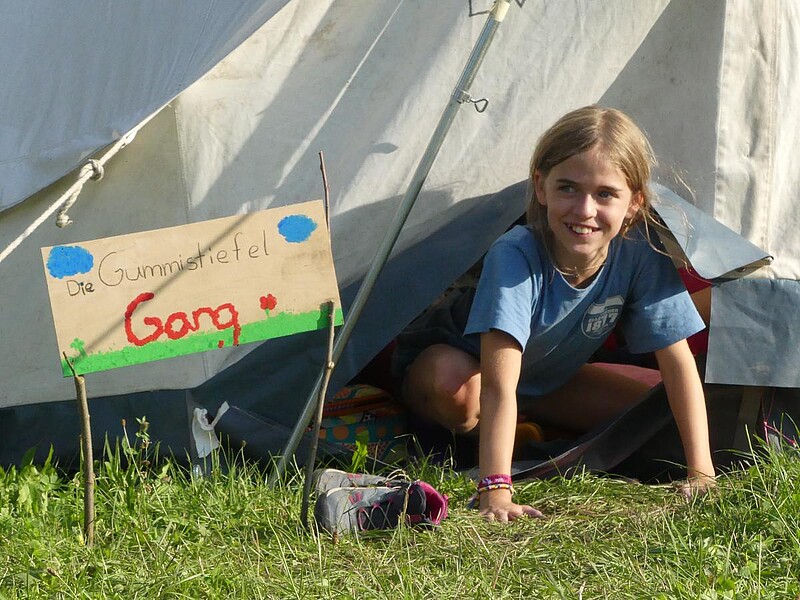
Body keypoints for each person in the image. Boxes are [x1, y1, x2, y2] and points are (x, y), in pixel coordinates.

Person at [397, 105, 716, 522]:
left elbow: (678, 364)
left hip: (544, 379)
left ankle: (527, 427)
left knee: (650, 412)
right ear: (541, 188)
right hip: (462, 364)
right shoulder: (515, 254)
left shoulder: (639, 253)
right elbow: (497, 384)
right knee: (458, 392)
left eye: (605, 194)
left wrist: (701, 472)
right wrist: (496, 490)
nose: (584, 210)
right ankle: (504, 439)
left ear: (634, 203)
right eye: (568, 188)